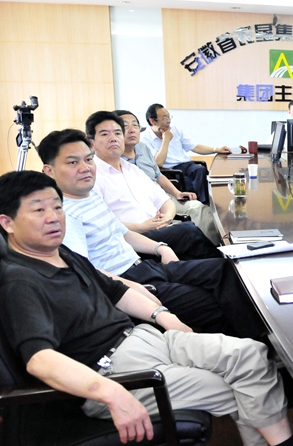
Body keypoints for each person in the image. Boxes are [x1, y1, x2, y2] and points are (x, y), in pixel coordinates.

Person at [0, 170, 293, 446]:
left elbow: (117, 291)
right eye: (38, 210)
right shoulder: (20, 281)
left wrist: (165, 317)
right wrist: (110, 393)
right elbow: (39, 360)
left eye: (57, 207)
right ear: (7, 222)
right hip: (113, 372)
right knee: (238, 388)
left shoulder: (61, 254)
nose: (53, 217)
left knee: (251, 355)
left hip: (143, 338)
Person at [36, 129, 266, 341]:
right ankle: (253, 348)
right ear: (49, 171)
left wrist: (161, 248)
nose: (85, 167)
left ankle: (263, 338)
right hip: (127, 281)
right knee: (210, 304)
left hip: (144, 267)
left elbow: (123, 233)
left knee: (223, 269)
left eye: (88, 159)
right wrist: (134, 289)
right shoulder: (63, 214)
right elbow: (86, 271)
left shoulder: (89, 195)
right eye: (73, 162)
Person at [87, 112, 221, 259]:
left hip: (159, 229)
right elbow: (102, 224)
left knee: (205, 256)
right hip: (133, 241)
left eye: (118, 133)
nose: (113, 138)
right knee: (188, 232)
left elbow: (164, 200)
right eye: (105, 134)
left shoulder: (132, 169)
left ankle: (224, 261)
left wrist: (166, 217)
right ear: (92, 143)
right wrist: (142, 227)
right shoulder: (91, 177)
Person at [117, 109, 221, 245]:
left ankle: (214, 247)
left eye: (135, 125)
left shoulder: (142, 147)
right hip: (141, 204)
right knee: (183, 229)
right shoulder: (114, 160)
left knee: (199, 208)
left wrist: (177, 193)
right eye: (125, 126)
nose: (132, 130)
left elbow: (158, 175)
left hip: (160, 195)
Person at [141, 103, 231, 203]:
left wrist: (216, 149)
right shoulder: (144, 138)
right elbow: (158, 163)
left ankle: (207, 204)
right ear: (152, 121)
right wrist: (166, 140)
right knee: (189, 184)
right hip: (170, 170)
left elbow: (194, 146)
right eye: (164, 118)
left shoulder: (175, 130)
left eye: (169, 117)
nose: (169, 120)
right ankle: (201, 205)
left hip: (186, 165)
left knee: (200, 170)